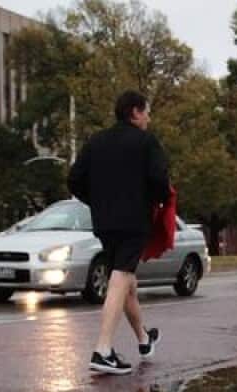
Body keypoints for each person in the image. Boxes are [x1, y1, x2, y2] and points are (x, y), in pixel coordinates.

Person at [68, 90, 171, 375]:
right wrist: (157, 200)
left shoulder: (96, 141)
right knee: (122, 276)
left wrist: (97, 200)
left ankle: (143, 339)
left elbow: (74, 179)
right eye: (147, 112)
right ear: (135, 112)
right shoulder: (146, 142)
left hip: (104, 222)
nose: (149, 118)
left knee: (126, 282)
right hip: (134, 220)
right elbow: (159, 180)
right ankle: (102, 350)